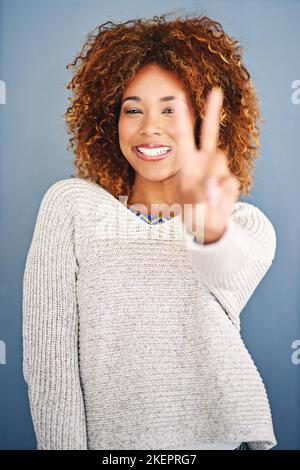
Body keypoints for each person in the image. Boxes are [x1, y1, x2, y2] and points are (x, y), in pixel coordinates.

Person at [22, 12, 277, 450]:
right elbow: (51, 364)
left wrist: (208, 227)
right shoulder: (71, 207)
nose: (149, 127)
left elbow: (227, 270)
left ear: (202, 121)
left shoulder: (242, 225)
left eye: (170, 110)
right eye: (132, 109)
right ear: (110, 121)